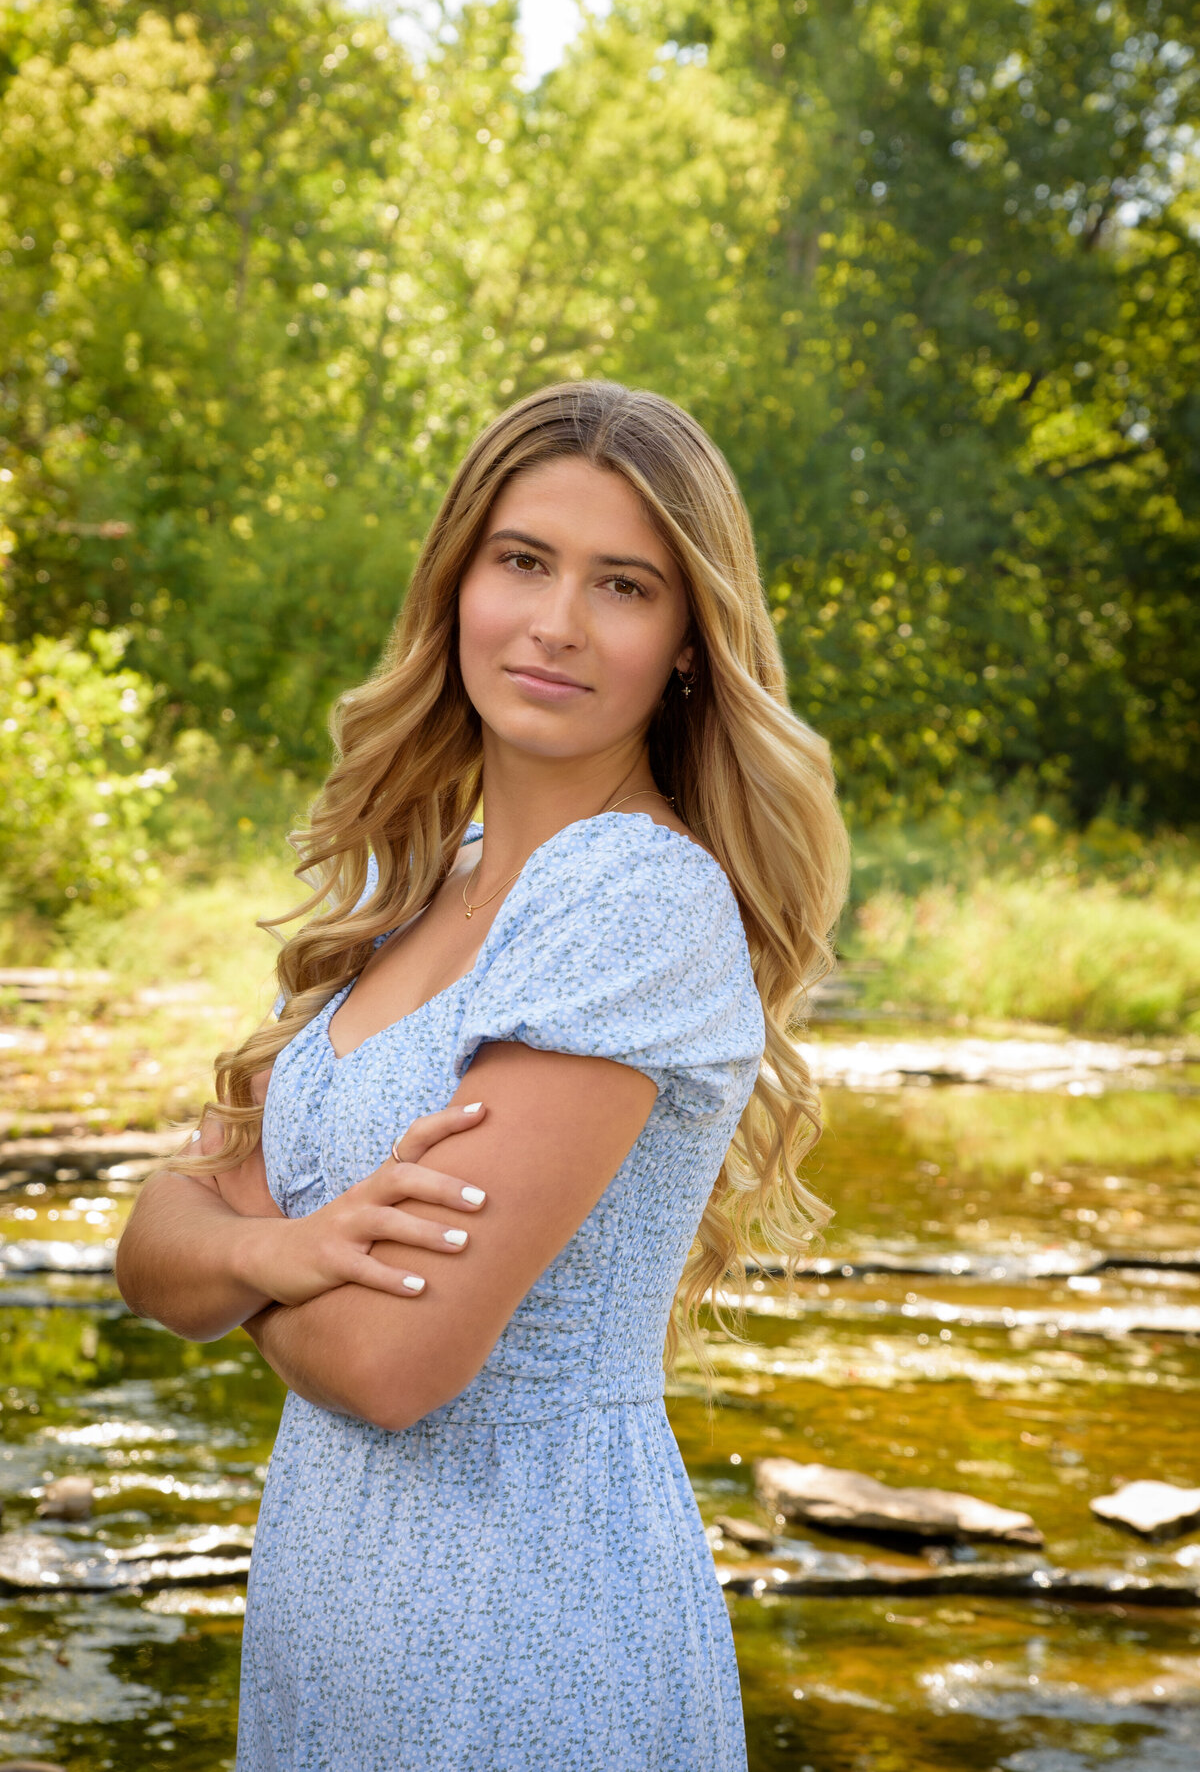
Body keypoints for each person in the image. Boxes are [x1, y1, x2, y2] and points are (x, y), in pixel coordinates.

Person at [115, 379, 851, 1771]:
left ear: (689, 644)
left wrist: (242, 1266)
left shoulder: (630, 904)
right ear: (459, 581)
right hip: (336, 1615)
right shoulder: (416, 892)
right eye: (523, 560)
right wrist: (284, 1243)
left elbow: (395, 1360)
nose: (556, 622)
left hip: (529, 1635)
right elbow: (150, 1240)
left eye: (623, 584)